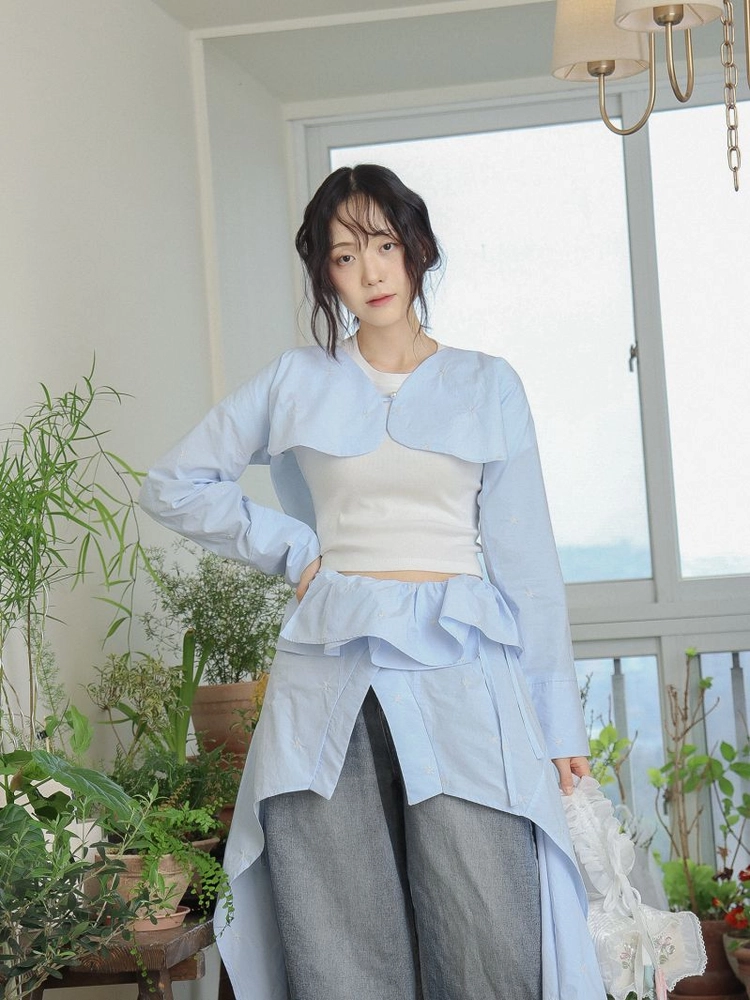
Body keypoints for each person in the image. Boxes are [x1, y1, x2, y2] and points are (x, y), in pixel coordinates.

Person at [140, 164, 607, 1000]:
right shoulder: (295, 380)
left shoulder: (487, 383)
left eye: (384, 246)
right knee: (340, 945)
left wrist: (557, 723)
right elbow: (174, 482)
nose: (371, 272)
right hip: (330, 676)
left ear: (417, 247)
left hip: (461, 672)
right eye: (345, 256)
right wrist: (293, 547)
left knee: (491, 931)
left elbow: (528, 563)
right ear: (325, 273)